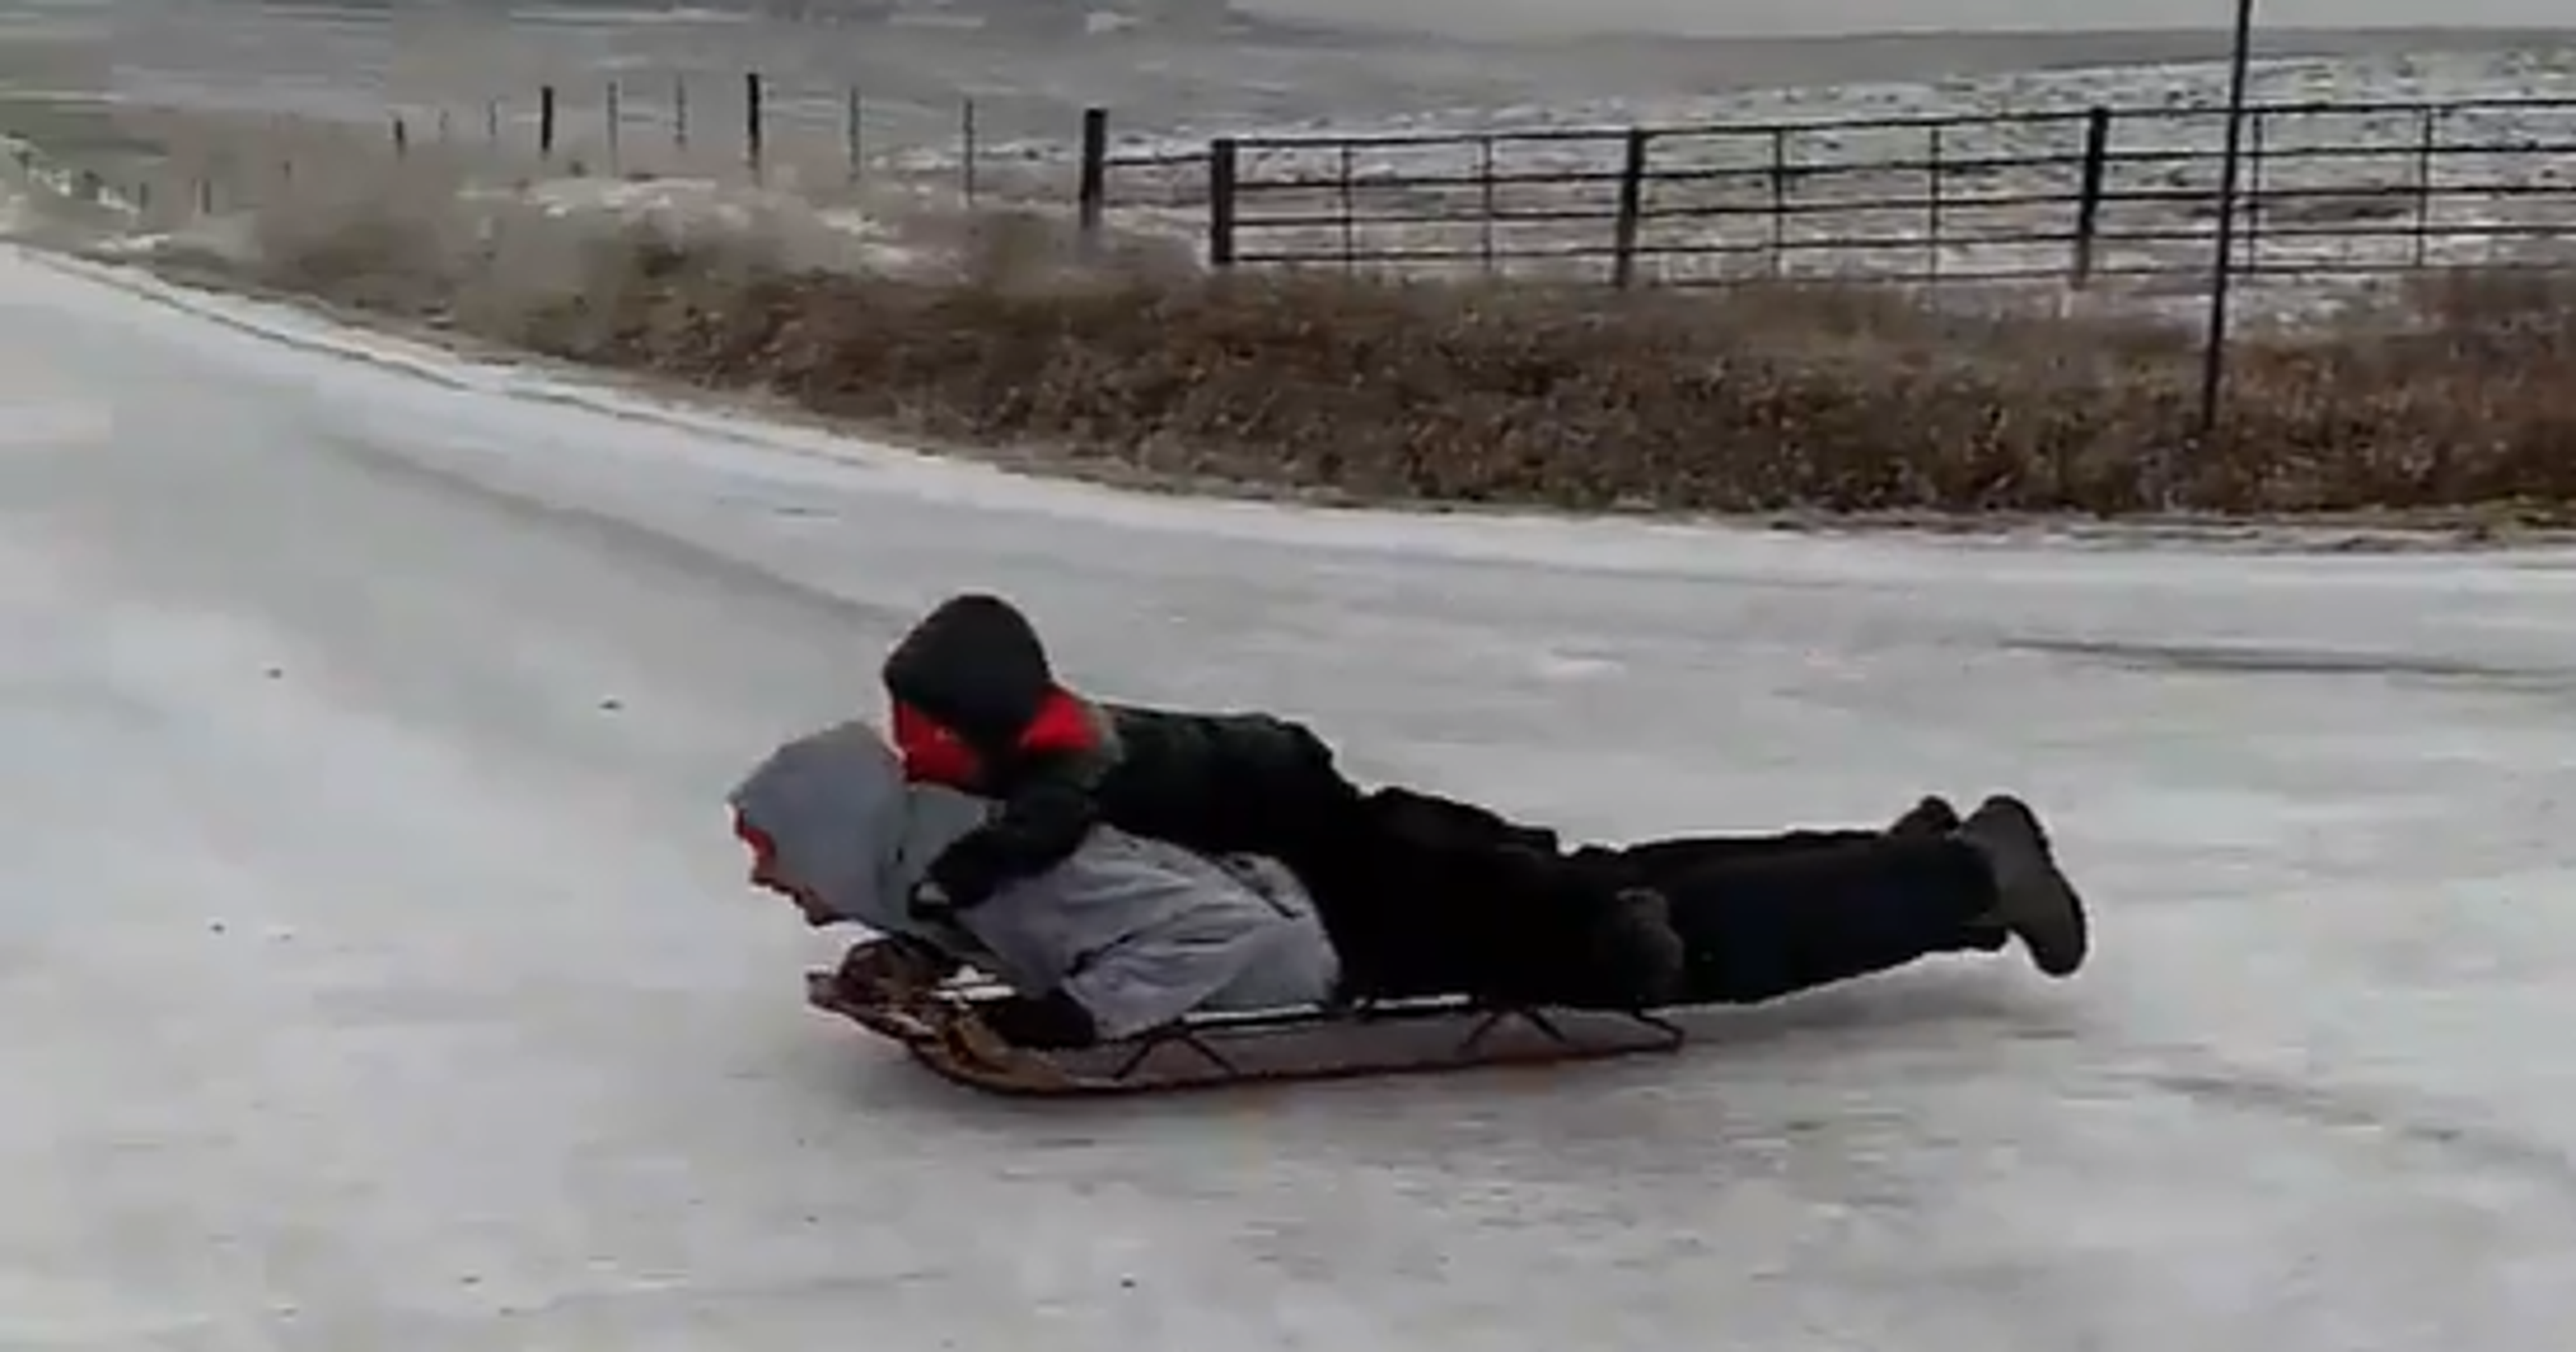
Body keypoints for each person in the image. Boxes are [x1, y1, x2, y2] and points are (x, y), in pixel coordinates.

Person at [727, 719, 2091, 1053]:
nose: (774, 888)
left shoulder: (1005, 877)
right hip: (1351, 871)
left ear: (849, 842)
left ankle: (1967, 873)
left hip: (1358, 926)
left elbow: (1194, 936)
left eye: (779, 863)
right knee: (1616, 886)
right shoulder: (965, 854)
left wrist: (1067, 1023)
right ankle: (1923, 865)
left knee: (1659, 949)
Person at [876, 591, 1686, 1005]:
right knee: (1396, 841)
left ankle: (1597, 906)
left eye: (927, 731)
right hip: (1247, 803)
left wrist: (949, 888)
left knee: (1401, 865)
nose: (912, 750)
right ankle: (1538, 864)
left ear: (981, 720)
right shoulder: (1019, 742)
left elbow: (1035, 837)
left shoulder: (1068, 755)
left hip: (1273, 790)